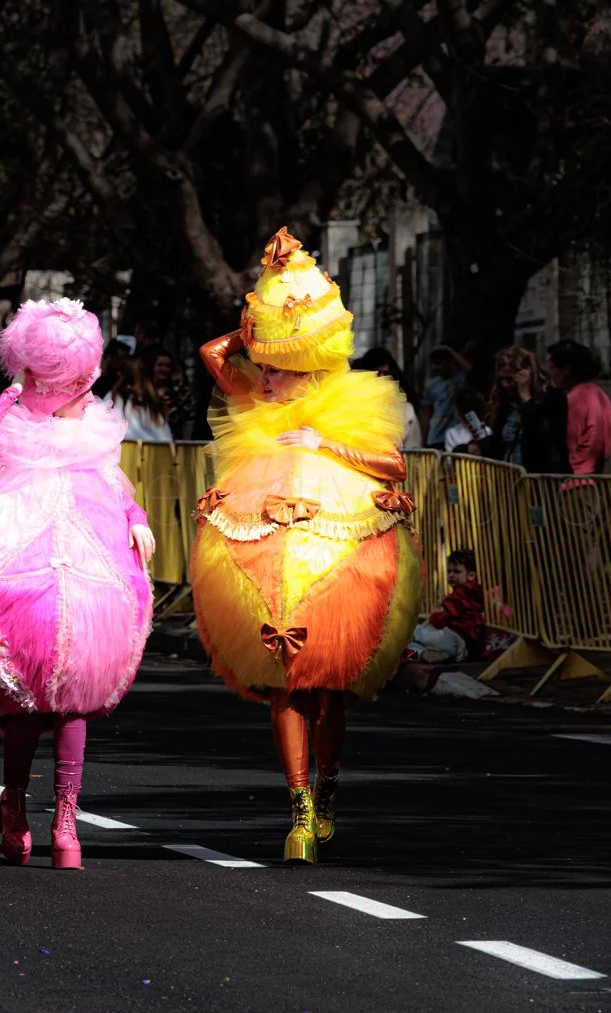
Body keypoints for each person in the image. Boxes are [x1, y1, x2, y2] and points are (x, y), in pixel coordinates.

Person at [191, 227, 420, 864]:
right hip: (267, 555)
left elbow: (393, 466)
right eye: (261, 366)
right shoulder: (253, 404)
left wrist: (323, 444)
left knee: (329, 690)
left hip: (339, 559)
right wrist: (254, 328)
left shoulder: (346, 401)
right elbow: (214, 353)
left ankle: (330, 786)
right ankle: (299, 809)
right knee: (284, 683)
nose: (261, 377)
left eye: (275, 368)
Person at [0, 299, 156, 870]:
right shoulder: (15, 425)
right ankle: (15, 805)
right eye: (72, 386)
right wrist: (15, 392)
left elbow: (115, 482)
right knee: (29, 702)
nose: (81, 398)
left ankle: (66, 821)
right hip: (19, 547)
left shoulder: (96, 430)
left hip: (91, 555)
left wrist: (137, 520)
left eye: (83, 386)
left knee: (75, 695)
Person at [485, 346, 569, 473]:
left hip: (539, 480)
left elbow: (545, 436)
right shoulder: (506, 403)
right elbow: (500, 446)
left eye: (510, 379)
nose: (505, 385)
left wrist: (526, 397)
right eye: (502, 379)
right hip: (508, 479)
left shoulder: (552, 398)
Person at [547, 339, 611, 475]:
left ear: (566, 370)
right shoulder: (600, 394)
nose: (551, 374)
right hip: (598, 478)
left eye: (552, 368)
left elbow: (569, 444)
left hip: (575, 480)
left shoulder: (575, 399)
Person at [405, 550, 485, 663]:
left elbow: (439, 621)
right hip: (463, 649)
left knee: (409, 634)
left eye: (456, 571)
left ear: (471, 575)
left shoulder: (460, 594)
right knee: (409, 644)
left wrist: (434, 614)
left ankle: (422, 654)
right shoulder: (476, 593)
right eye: (449, 571)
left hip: (451, 638)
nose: (451, 575)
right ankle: (432, 655)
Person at [352, 348, 422, 452]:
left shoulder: (406, 410)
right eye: (376, 374)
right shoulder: (353, 407)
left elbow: (414, 451)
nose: (382, 379)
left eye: (385, 373)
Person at [109, 356, 174, 443]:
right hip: (150, 451)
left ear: (120, 374)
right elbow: (164, 437)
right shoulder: (151, 400)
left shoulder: (112, 397)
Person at [421, 345, 469, 448]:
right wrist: (423, 441)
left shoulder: (461, 379)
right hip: (436, 437)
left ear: (451, 362)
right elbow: (426, 414)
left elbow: (470, 369)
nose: (435, 368)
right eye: (434, 364)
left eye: (439, 363)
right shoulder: (432, 385)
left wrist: (449, 349)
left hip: (456, 437)